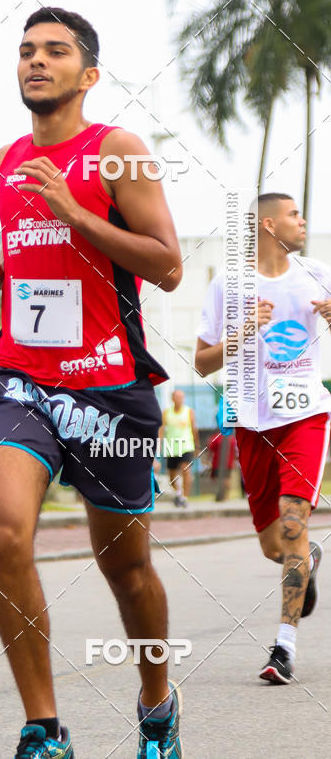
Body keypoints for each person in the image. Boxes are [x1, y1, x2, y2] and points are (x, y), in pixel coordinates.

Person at [0, 7, 184, 758]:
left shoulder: (117, 153)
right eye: (26, 50)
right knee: (2, 530)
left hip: (109, 389)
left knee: (127, 571)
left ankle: (157, 700)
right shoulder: (4, 161)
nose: (36, 61)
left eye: (55, 51)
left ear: (87, 75)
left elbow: (167, 265)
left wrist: (74, 212)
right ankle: (44, 730)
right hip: (21, 379)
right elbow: (31, 257)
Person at [195, 193, 330, 684]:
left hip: (305, 416)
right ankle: (306, 560)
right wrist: (244, 331)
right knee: (276, 547)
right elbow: (202, 362)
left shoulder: (316, 273)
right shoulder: (228, 285)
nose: (304, 221)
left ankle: (284, 648)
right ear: (270, 225)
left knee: (293, 525)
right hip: (252, 423)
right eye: (295, 215)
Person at [159, 389, 200, 507]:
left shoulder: (189, 411)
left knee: (186, 470)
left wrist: (197, 446)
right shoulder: (166, 412)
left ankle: (185, 498)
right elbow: (161, 430)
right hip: (171, 447)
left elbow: (194, 429)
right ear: (173, 399)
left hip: (186, 446)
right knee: (171, 475)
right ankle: (179, 492)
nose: (180, 399)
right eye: (177, 397)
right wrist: (159, 443)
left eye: (182, 397)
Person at [206, 431, 237, 501]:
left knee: (223, 480)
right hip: (225, 463)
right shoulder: (231, 438)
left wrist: (208, 460)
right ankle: (225, 495)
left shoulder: (216, 438)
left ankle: (224, 495)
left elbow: (210, 450)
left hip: (218, 463)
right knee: (226, 479)